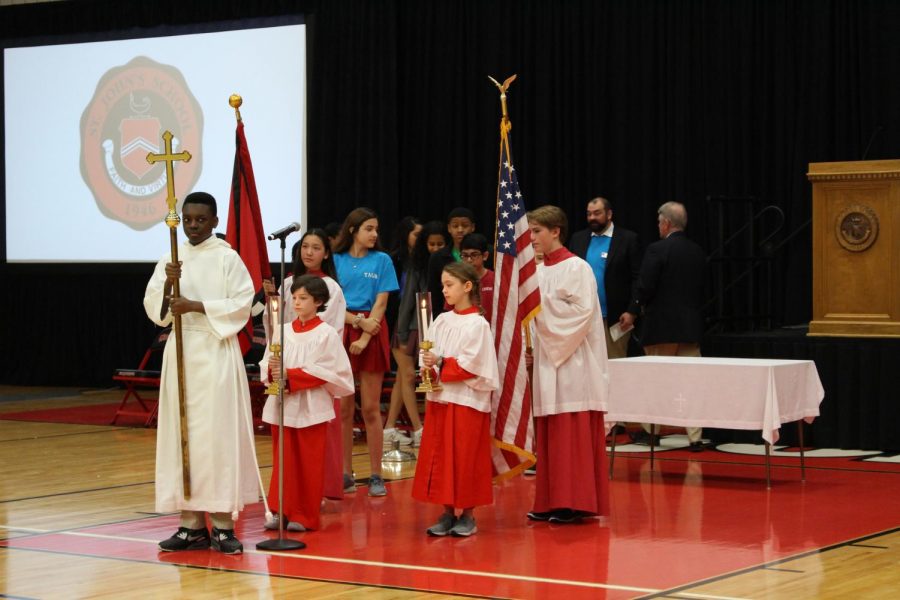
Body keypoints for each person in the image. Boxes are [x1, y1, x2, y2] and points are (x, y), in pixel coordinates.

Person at [143, 191, 261, 555]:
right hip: (181, 351)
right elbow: (156, 311)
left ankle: (223, 525)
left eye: (200, 219)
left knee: (216, 435)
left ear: (213, 222)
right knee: (184, 435)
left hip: (215, 350)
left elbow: (244, 303)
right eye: (188, 219)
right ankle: (190, 524)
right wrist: (167, 282)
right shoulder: (170, 258)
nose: (193, 225)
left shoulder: (227, 258)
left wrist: (196, 305)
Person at [526, 205, 610, 524]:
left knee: (570, 430)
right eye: (530, 231)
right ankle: (550, 499)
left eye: (537, 231)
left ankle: (575, 502)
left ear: (556, 231)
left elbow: (582, 313)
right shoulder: (537, 271)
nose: (531, 238)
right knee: (549, 431)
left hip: (573, 359)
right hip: (548, 359)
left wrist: (536, 306)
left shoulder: (577, 268)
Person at [260, 275, 355, 532]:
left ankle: (304, 514)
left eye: (303, 298)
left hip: (311, 405)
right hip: (283, 403)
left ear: (319, 301)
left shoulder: (326, 333)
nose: (297, 303)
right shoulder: (283, 331)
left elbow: (334, 371)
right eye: (294, 298)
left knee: (308, 462)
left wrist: (294, 375)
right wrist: (273, 371)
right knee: (283, 461)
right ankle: (281, 510)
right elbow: (267, 362)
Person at [413, 261, 499, 537]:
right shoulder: (441, 320)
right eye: (442, 285)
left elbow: (472, 364)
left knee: (465, 457)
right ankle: (447, 511)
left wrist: (440, 361)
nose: (445, 290)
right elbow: (430, 351)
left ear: (467, 286)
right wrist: (428, 364)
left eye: (449, 285)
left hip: (467, 401)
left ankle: (469, 514)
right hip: (441, 397)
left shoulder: (478, 325)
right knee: (441, 455)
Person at [263, 228, 348, 499]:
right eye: (305, 247)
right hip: (288, 355)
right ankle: (287, 498)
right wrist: (272, 302)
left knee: (314, 441)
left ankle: (318, 492)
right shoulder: (288, 283)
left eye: (316, 247)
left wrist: (301, 370)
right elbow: (275, 323)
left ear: (326, 254)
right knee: (286, 445)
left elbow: (331, 329)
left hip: (311, 372)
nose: (309, 252)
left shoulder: (331, 287)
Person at [332, 208, 400, 496]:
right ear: (353, 230)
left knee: (371, 407)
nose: (374, 234)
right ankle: (345, 473)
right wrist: (355, 324)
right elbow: (332, 304)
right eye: (368, 228)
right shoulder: (335, 261)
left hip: (372, 328)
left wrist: (364, 335)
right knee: (344, 408)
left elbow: (382, 302)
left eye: (376, 229)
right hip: (343, 327)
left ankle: (376, 474)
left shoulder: (382, 260)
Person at [634, 201, 708, 451]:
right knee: (693, 382)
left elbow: (645, 286)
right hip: (690, 327)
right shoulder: (697, 251)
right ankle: (695, 437)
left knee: (655, 381)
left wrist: (635, 308)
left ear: (666, 223)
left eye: (658, 222)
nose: (657, 226)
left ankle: (652, 432)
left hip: (661, 328)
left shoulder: (657, 249)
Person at [384, 220, 447, 447]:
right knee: (410, 376)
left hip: (431, 328)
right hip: (408, 328)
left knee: (404, 378)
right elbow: (407, 300)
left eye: (440, 244)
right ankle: (419, 429)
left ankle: (390, 427)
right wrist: (400, 333)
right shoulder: (414, 265)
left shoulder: (444, 264)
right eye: (431, 243)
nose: (436, 248)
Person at [568, 196, 641, 359]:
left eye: (597, 213)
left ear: (609, 214)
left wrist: (632, 311)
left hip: (616, 319)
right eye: (589, 214)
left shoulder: (628, 239)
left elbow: (638, 279)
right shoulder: (578, 239)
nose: (592, 218)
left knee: (615, 364)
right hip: (582, 318)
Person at [426, 207, 476, 318]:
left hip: (477, 313)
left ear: (473, 227)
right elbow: (434, 293)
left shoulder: (484, 253)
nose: (460, 230)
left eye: (465, 225)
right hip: (447, 315)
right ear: (449, 228)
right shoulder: (437, 257)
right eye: (455, 226)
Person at [459, 232, 494, 324]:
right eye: (465, 256)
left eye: (474, 255)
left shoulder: (496, 279)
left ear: (485, 256)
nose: (469, 260)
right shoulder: (457, 281)